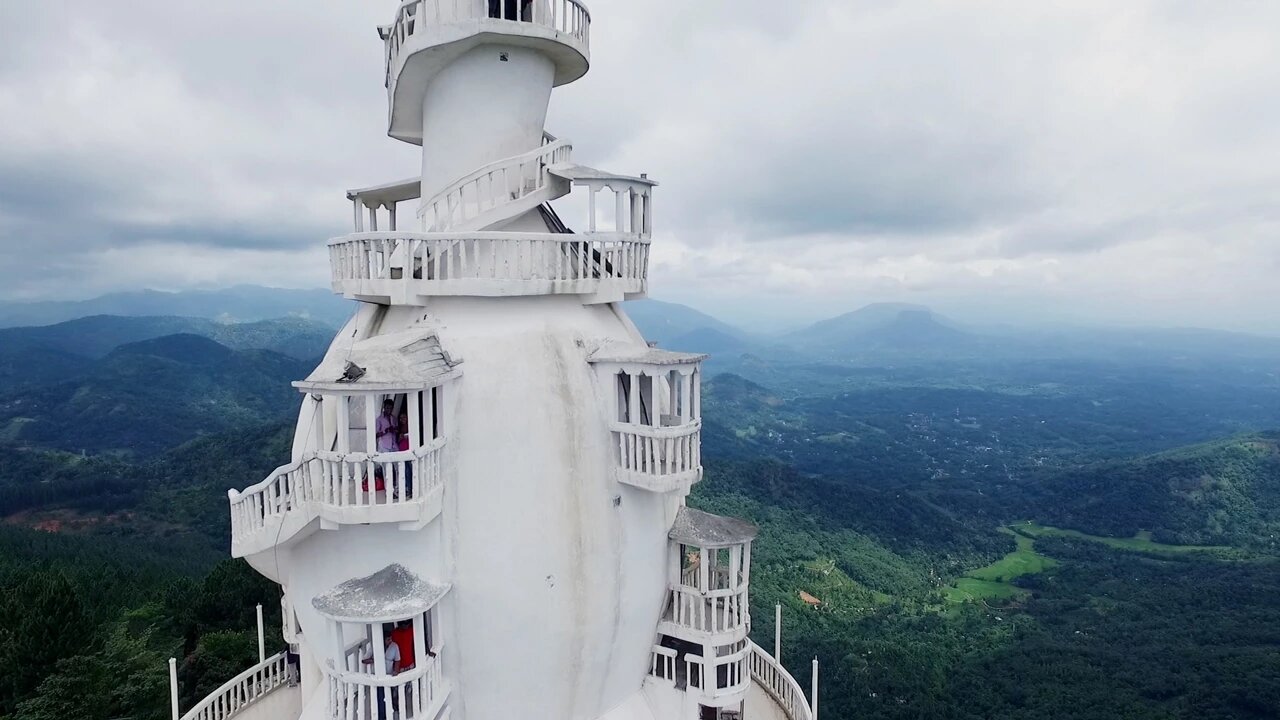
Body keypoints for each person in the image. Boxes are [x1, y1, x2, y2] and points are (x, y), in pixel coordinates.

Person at [361, 629, 401, 720]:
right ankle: (382, 717)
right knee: (380, 698)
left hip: (389, 676)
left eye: (391, 639)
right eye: (388, 639)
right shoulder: (374, 647)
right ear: (383, 640)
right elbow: (364, 660)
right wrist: (374, 660)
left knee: (391, 697)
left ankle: (392, 714)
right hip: (378, 677)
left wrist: (395, 671)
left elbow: (397, 660)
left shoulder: (394, 646)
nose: (390, 641)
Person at [398, 411, 414, 499]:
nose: (402, 420)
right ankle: (410, 490)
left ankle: (413, 490)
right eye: (401, 418)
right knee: (406, 473)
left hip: (409, 452)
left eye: (404, 418)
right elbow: (399, 440)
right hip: (403, 451)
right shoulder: (401, 428)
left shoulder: (411, 427)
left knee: (412, 471)